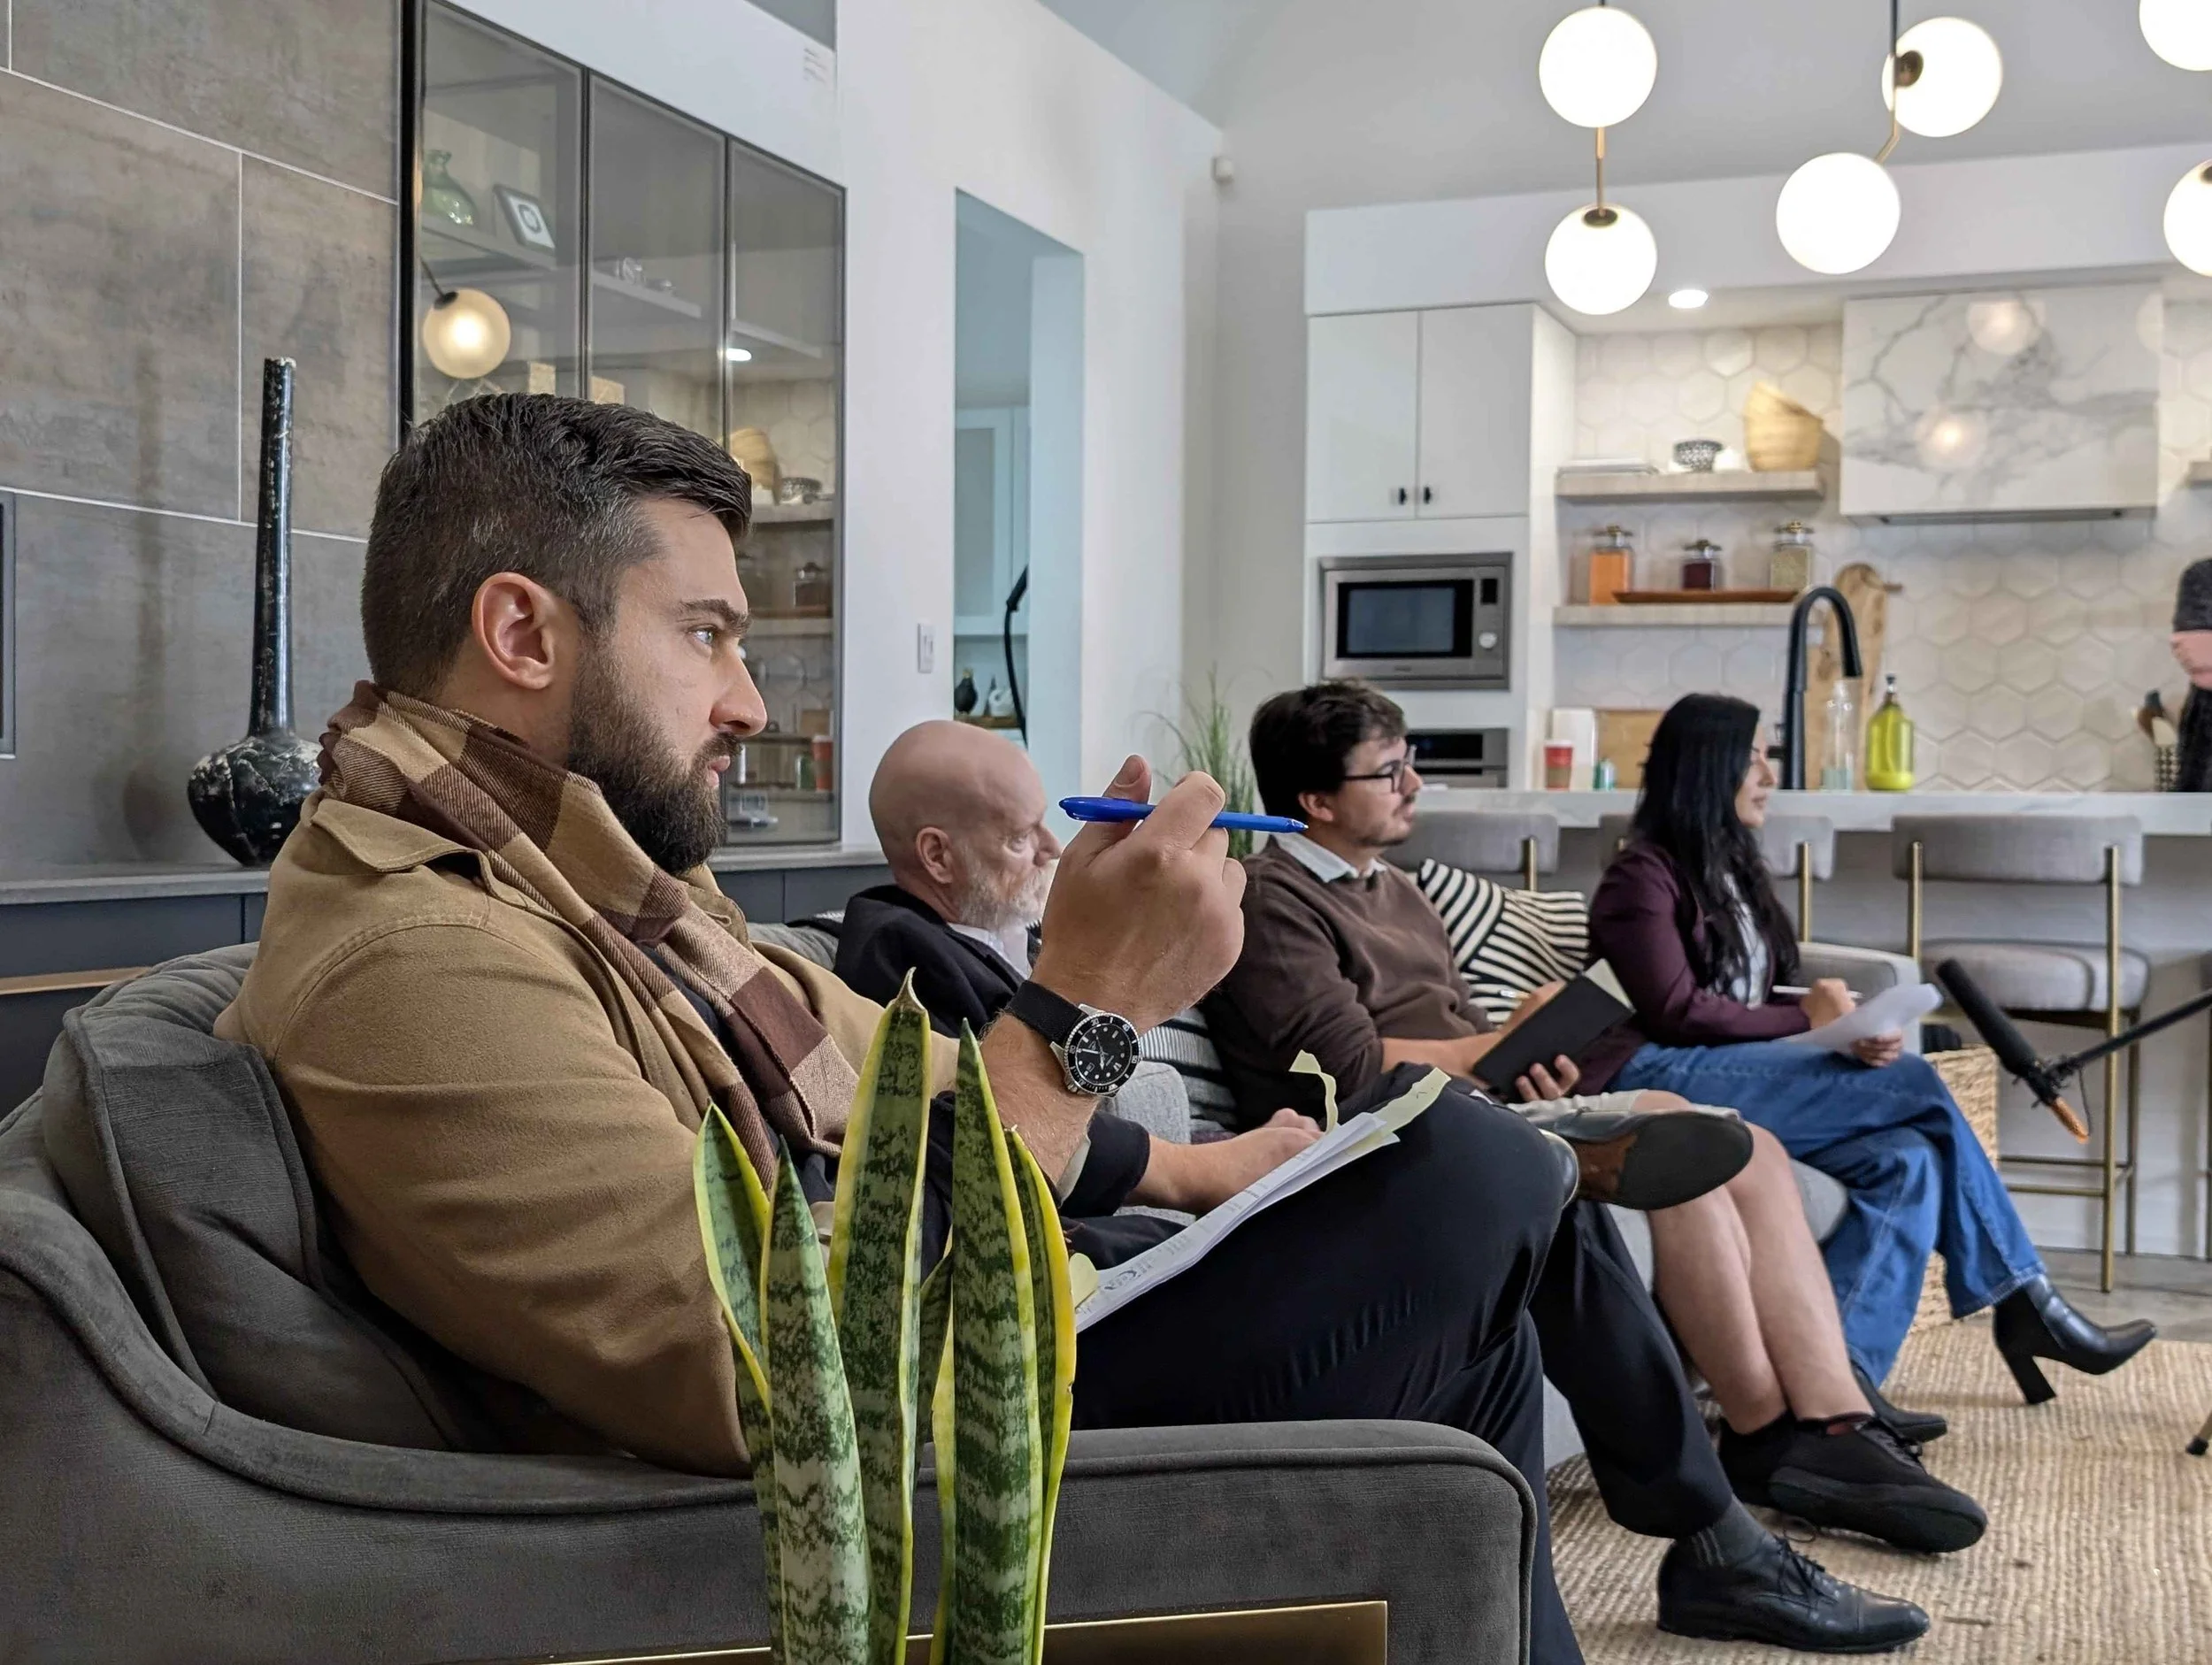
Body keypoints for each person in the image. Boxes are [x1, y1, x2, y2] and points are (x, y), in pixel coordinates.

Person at [213, 395, 1755, 1665]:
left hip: (974, 1351)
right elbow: (756, 1371)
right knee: (1473, 1179)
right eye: (706, 634)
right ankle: (1714, 1523)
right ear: (523, 634)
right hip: (886, 1480)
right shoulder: (416, 944)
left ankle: (1670, 1549)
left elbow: (928, 1084)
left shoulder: (613, 889)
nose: (747, 698)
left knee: (1464, 1203)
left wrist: (1205, 1170)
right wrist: (1089, 999)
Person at [1197, 681, 1941, 1647]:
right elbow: (1346, 1066)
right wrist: (1498, 1045)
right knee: (1661, 1140)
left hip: (1478, 1109)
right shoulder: (1273, 898)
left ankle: (1817, 1425)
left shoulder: (1400, 888)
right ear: (1314, 800)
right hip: (1382, 1137)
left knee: (1732, 1142)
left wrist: (1525, 1054)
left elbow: (1458, 1031)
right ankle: (1764, 1447)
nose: (1414, 783)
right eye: (1388, 771)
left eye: (1410, 757)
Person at [1585, 693, 2157, 1416]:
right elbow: (1675, 1008)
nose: (1767, 774)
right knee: (1918, 1084)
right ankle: (2027, 1300)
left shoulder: (1733, 870)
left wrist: (1840, 1027)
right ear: (1710, 766)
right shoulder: (1640, 876)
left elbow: (1747, 990)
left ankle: (1847, 1398)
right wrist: (1805, 1016)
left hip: (1735, 1068)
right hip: (1655, 1074)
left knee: (1906, 1160)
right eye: (1755, 758)